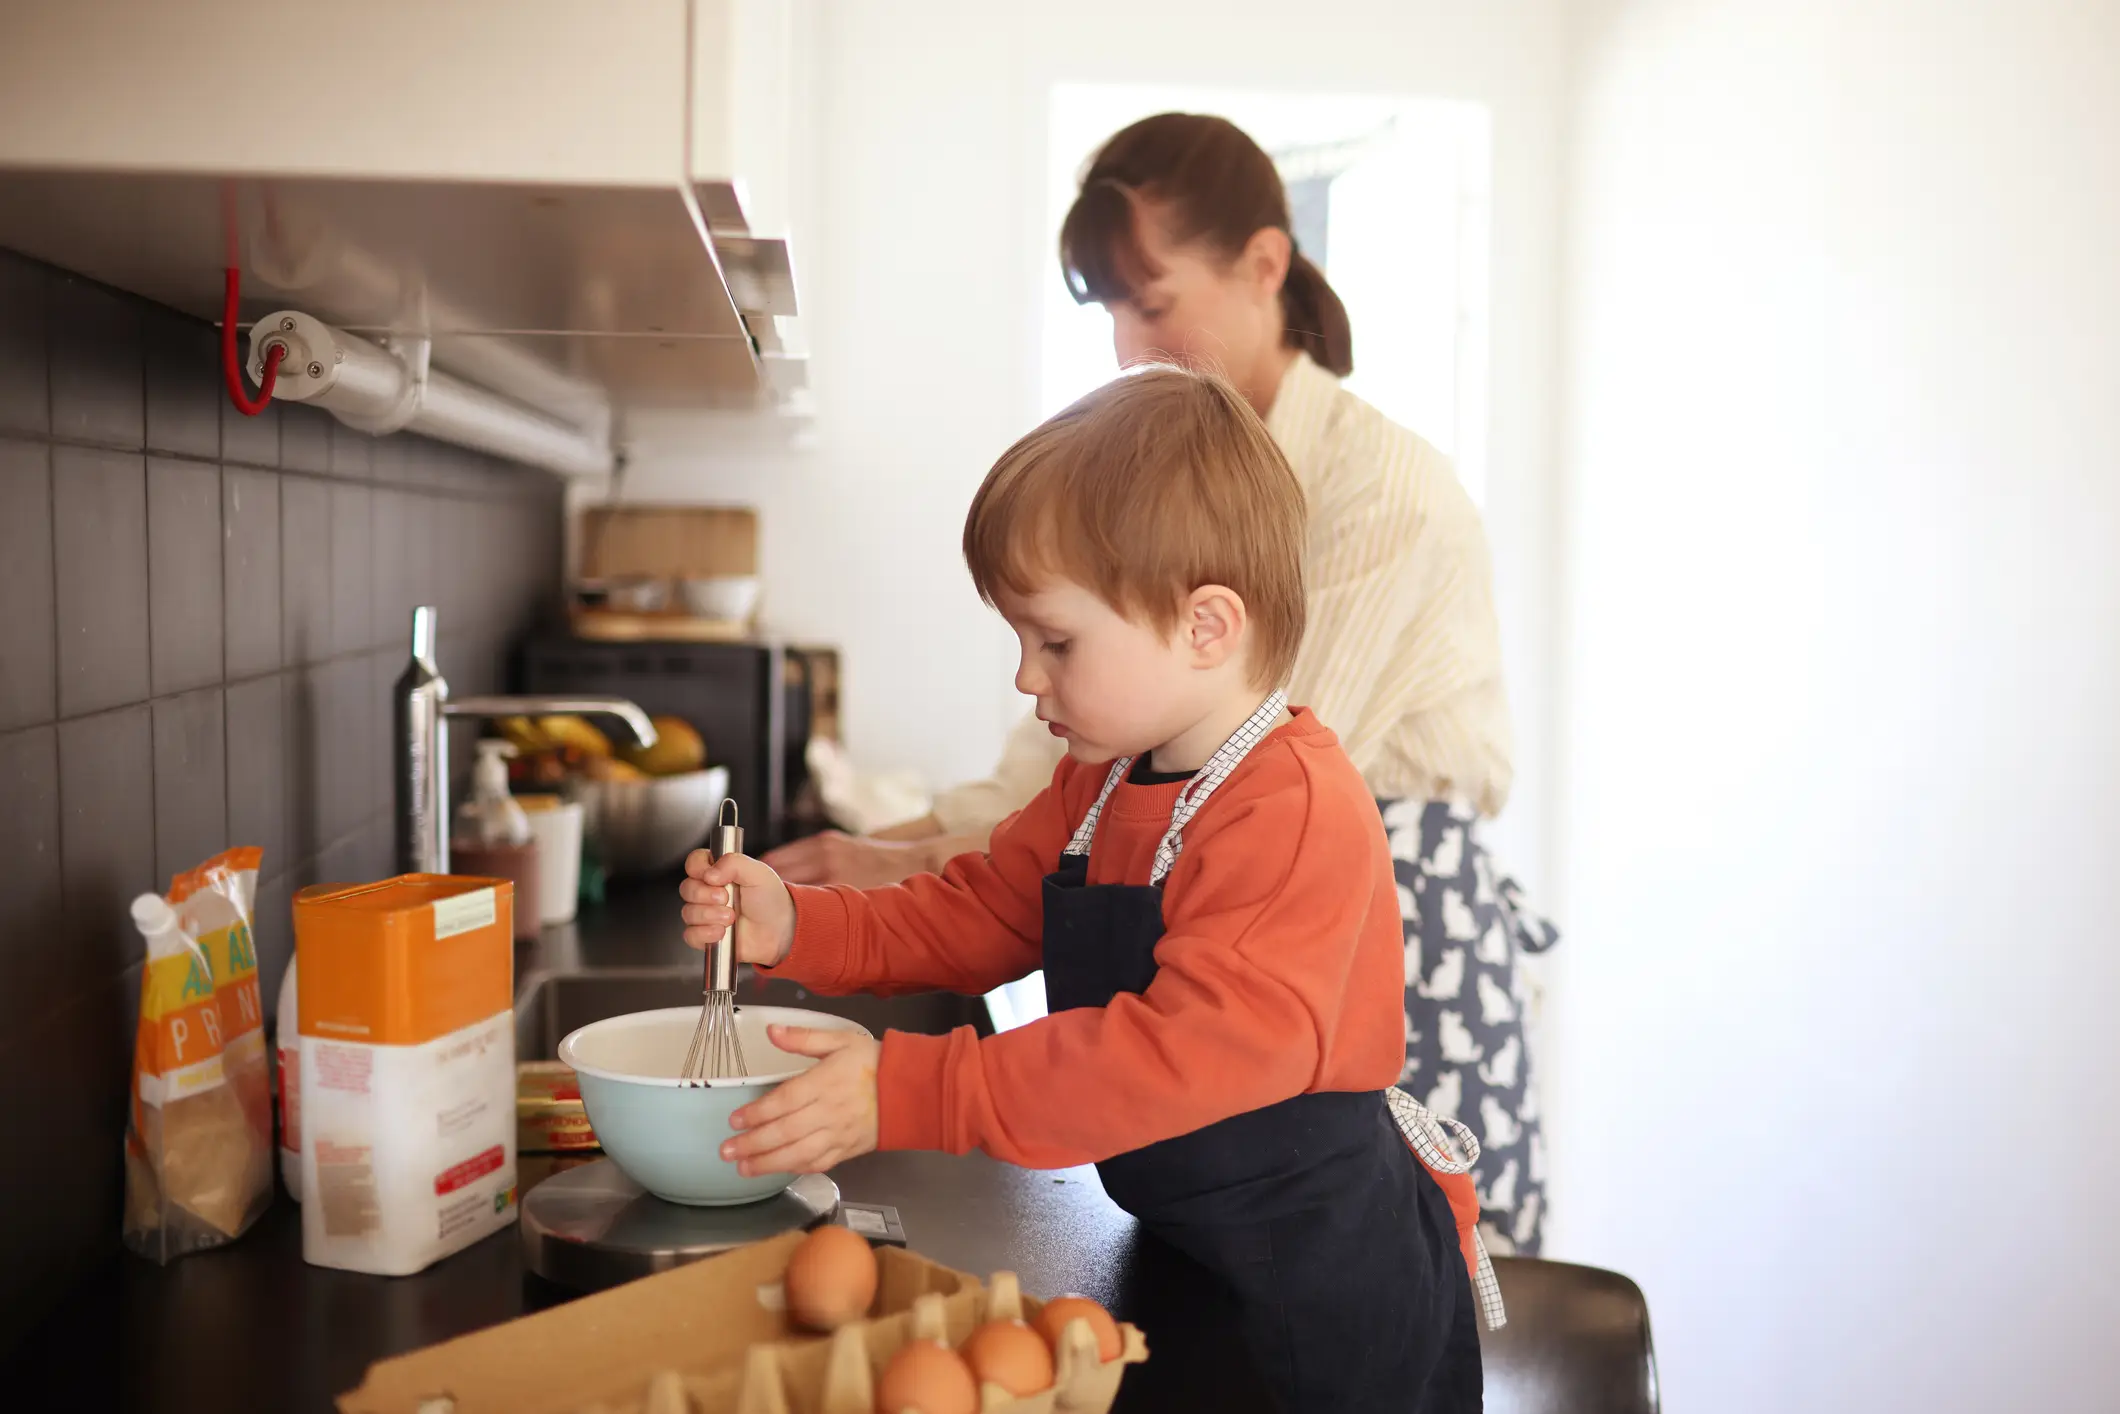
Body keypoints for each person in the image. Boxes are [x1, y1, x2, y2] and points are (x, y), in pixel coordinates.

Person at [764, 112, 1559, 1255]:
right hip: (1226, 958)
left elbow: (1204, 762)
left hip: (1382, 934)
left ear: (1264, 266)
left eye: (1154, 301)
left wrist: (921, 889)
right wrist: (903, 863)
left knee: (1377, 1274)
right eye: (1110, 316)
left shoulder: (1380, 497)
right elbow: (1094, 782)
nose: (1132, 348)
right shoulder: (1189, 498)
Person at [685, 367, 1496, 1412]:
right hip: (1191, 1243)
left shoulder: (1289, 806)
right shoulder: (1105, 781)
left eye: (1055, 640)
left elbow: (1173, 1053)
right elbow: (978, 909)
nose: (1026, 676)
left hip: (1317, 1291)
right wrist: (800, 922)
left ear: (1206, 627)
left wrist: (912, 1088)